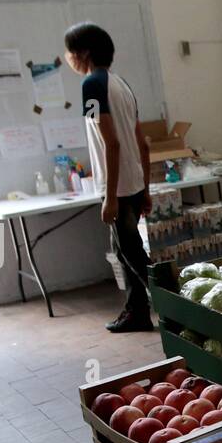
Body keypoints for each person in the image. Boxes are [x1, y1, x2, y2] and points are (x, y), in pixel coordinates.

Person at [64, 22, 153, 333]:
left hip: (117, 185)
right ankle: (136, 312)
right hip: (133, 181)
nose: (68, 58)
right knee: (125, 251)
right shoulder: (121, 85)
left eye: (71, 51)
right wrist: (146, 189)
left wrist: (110, 196)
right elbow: (142, 142)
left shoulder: (92, 86)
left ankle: (176, 309)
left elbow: (111, 143)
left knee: (133, 255)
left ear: (83, 53)